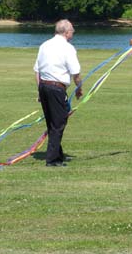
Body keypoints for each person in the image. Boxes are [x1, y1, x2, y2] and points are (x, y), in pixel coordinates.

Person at [34, 19, 83, 167]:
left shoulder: (44, 45)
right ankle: (52, 159)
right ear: (67, 32)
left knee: (53, 123)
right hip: (56, 88)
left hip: (44, 86)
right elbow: (76, 73)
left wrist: (40, 90)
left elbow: (37, 70)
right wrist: (79, 88)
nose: (73, 33)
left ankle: (57, 154)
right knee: (58, 123)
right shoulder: (68, 48)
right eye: (72, 31)